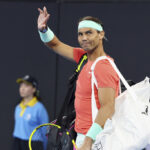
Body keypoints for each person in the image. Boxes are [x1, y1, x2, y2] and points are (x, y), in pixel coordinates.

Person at [37, 6, 119, 150]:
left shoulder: (103, 67)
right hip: (83, 136)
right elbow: (55, 44)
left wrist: (88, 141)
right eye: (80, 34)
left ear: (101, 34)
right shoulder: (84, 57)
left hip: (97, 139)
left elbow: (108, 107)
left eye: (89, 33)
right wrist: (43, 29)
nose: (84, 38)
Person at [12, 75, 49, 150]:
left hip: (33, 144)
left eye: (26, 86)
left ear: (34, 89)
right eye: (21, 85)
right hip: (17, 142)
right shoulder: (18, 107)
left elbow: (45, 131)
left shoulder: (39, 108)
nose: (22, 88)